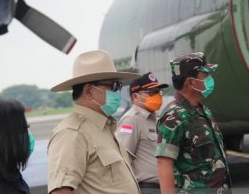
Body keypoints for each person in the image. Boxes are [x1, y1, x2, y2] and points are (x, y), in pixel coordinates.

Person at [47, 50, 141, 194]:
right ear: (89, 91)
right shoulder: (72, 133)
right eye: (114, 86)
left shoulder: (103, 127)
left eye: (119, 86)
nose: (118, 92)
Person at [155, 52, 231, 194]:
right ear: (191, 82)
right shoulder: (173, 116)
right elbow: (164, 163)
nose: (210, 79)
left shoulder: (203, 110)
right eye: (205, 76)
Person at [115, 72, 169, 194]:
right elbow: (122, 161)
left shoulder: (155, 118)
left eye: (158, 92)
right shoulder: (131, 120)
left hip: (164, 187)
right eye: (151, 93)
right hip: (147, 188)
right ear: (135, 97)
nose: (157, 96)